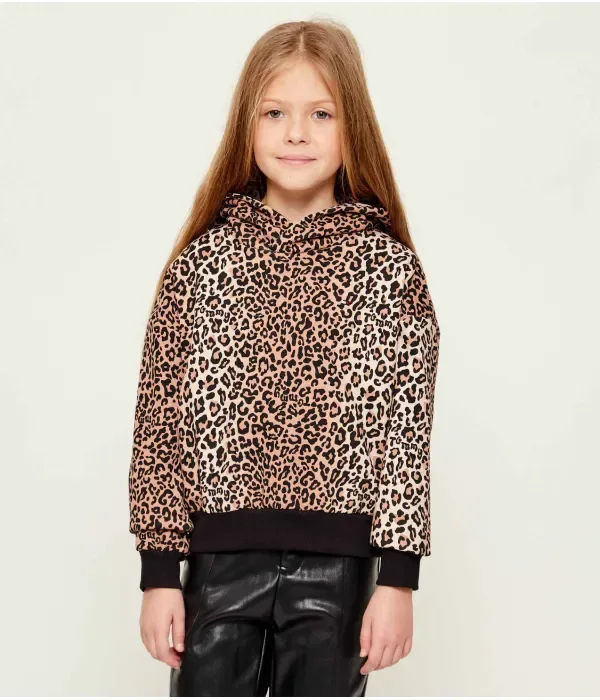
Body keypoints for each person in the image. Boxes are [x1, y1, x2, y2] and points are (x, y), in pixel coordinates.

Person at [128, 18, 441, 698]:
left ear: (352, 126)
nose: (296, 133)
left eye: (321, 114)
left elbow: (405, 434)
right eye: (275, 113)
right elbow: (159, 426)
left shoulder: (389, 270)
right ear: (247, 123)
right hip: (217, 563)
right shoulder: (201, 266)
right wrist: (159, 574)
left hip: (340, 569)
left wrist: (397, 580)